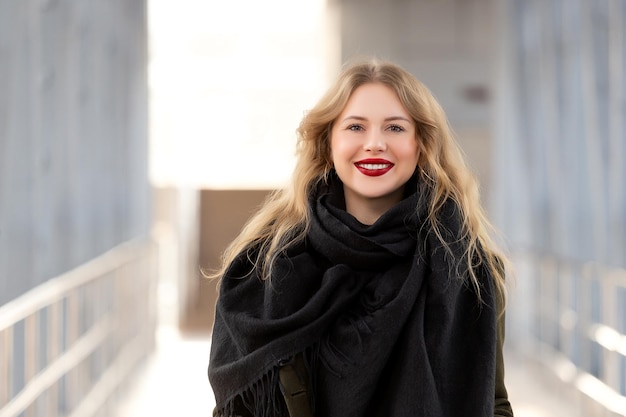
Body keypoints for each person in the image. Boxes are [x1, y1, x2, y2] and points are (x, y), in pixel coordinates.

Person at [208, 58, 514, 417]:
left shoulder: (468, 267)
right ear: (328, 144)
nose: (375, 144)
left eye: (395, 129)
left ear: (421, 144)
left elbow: (493, 402)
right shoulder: (264, 266)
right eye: (355, 127)